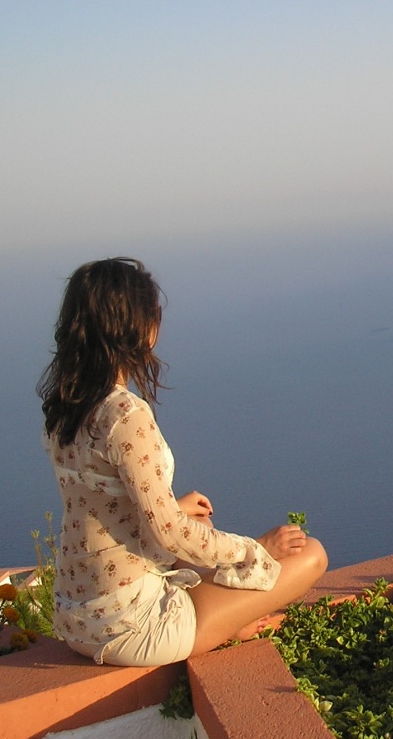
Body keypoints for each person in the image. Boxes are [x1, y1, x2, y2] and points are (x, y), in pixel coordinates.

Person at [37, 257, 326, 666]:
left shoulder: (65, 408)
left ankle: (221, 618)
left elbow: (100, 497)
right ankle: (224, 624)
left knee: (199, 524)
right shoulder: (125, 414)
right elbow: (170, 535)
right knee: (311, 555)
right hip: (130, 625)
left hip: (78, 614)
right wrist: (256, 549)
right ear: (139, 327)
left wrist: (174, 507)